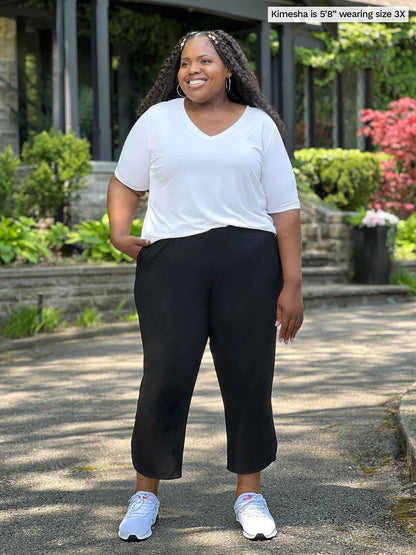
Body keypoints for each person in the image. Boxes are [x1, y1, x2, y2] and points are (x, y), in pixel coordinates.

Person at [107, 29, 303, 542]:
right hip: (172, 264)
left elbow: (284, 208)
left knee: (248, 380)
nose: (193, 70)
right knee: (165, 379)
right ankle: (145, 494)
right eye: (185, 62)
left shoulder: (260, 126)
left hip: (249, 264)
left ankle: (250, 495)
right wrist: (117, 230)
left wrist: (292, 283)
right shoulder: (157, 120)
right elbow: (126, 181)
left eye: (206, 61)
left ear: (229, 68)